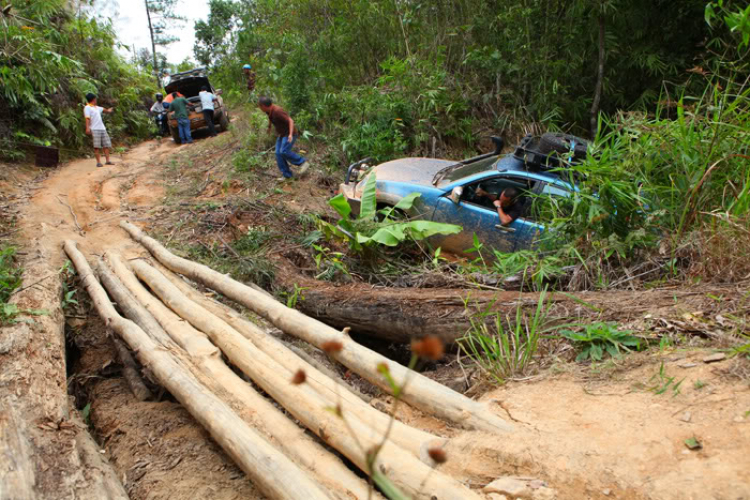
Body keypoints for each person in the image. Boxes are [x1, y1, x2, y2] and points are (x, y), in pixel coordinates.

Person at [258, 96, 310, 180]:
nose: (260, 108)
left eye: (260, 106)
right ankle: (287, 175)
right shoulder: (269, 111)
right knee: (278, 153)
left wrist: (290, 134)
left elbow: (290, 120)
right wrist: (269, 127)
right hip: (282, 134)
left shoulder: (278, 111)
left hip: (290, 134)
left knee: (284, 151)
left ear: (263, 106)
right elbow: (271, 118)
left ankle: (303, 163)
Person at [84, 93, 115, 168]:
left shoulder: (97, 107)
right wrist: (87, 128)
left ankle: (107, 161)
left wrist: (109, 110)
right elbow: (87, 118)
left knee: (106, 145)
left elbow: (105, 110)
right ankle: (98, 162)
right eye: (95, 98)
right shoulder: (87, 107)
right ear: (94, 99)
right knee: (96, 146)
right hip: (95, 129)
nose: (96, 99)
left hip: (102, 128)